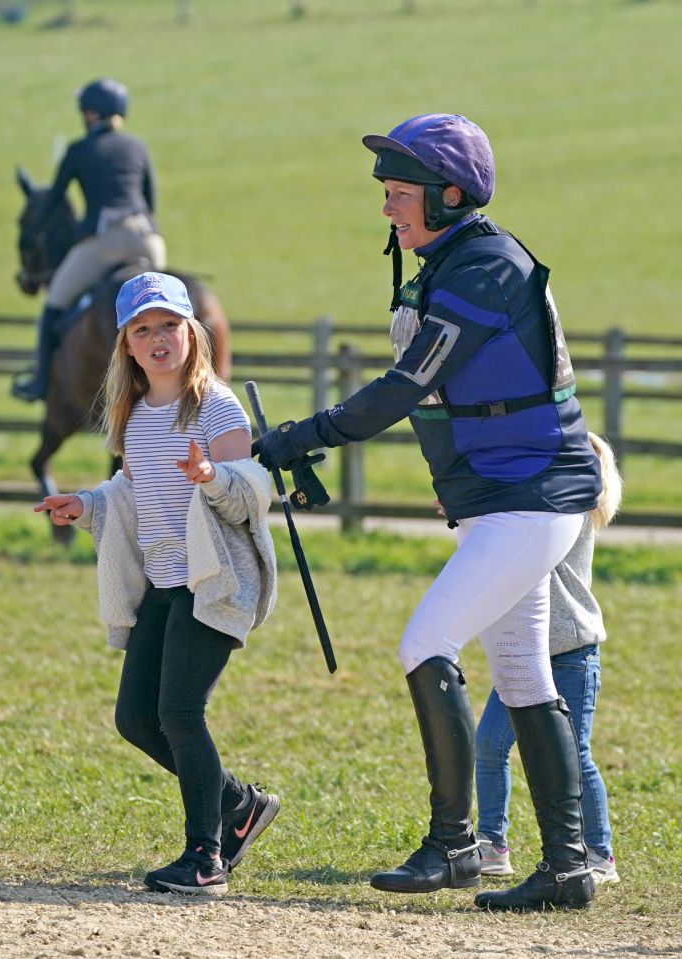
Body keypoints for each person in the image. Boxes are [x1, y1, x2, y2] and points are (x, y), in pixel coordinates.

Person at [254, 113, 603, 911]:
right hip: (504, 497)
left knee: (424, 641)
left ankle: (451, 846)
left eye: (399, 193)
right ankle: (567, 869)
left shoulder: (484, 266)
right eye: (384, 193)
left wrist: (302, 435)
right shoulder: (451, 261)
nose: (386, 208)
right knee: (521, 674)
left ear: (451, 196)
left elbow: (409, 385)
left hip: (531, 494)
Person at [34, 271, 279, 895]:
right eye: (143, 330)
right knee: (136, 718)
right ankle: (238, 805)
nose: (157, 338)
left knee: (179, 711)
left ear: (192, 332)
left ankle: (205, 859)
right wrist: (86, 506)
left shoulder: (216, 408)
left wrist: (211, 478)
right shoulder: (134, 413)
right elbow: (132, 494)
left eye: (169, 324)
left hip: (215, 582)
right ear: (126, 346)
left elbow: (251, 498)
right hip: (163, 584)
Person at [476, 432, 622, 887]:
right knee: (489, 744)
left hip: (571, 652)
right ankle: (492, 845)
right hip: (526, 648)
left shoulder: (567, 513)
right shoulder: (539, 507)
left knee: (575, 755)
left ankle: (599, 853)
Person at [13, 78, 167, 402]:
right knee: (169, 306)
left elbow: (54, 198)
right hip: (148, 242)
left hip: (104, 242)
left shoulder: (79, 149)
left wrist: (32, 231)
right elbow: (150, 200)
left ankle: (40, 381)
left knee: (54, 302)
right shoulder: (137, 146)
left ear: (91, 113)